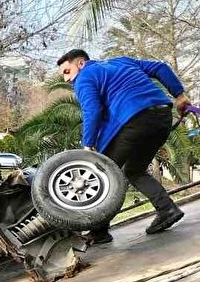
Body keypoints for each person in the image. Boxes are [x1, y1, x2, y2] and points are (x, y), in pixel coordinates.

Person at [57, 49, 189, 243]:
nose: (67, 79)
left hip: (133, 121)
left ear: (81, 63)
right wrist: (180, 95)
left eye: (67, 72)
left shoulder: (84, 77)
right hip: (162, 116)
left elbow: (92, 110)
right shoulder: (122, 62)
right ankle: (167, 209)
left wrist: (88, 145)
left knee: (104, 174)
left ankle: (99, 232)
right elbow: (160, 67)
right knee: (134, 171)